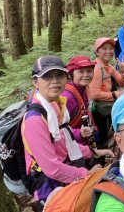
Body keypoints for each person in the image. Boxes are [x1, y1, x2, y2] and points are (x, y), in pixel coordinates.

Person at [21, 55, 114, 206]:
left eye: (59, 75)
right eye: (47, 76)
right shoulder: (35, 120)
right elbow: (51, 168)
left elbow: (64, 141)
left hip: (64, 171)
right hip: (47, 183)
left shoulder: (55, 106)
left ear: (66, 77)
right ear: (35, 82)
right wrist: (87, 174)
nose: (55, 81)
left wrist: (93, 152)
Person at [87, 37, 124, 148]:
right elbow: (94, 94)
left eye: (111, 48)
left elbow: (122, 83)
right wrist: (116, 94)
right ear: (97, 52)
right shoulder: (96, 68)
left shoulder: (109, 67)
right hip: (99, 109)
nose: (109, 51)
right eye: (104, 48)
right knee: (102, 137)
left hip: (107, 104)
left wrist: (123, 71)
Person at [61, 55, 98, 145]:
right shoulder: (67, 97)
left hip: (82, 142)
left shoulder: (83, 89)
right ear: (71, 74)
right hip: (72, 147)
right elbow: (57, 130)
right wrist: (79, 133)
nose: (86, 75)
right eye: (81, 71)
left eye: (89, 71)